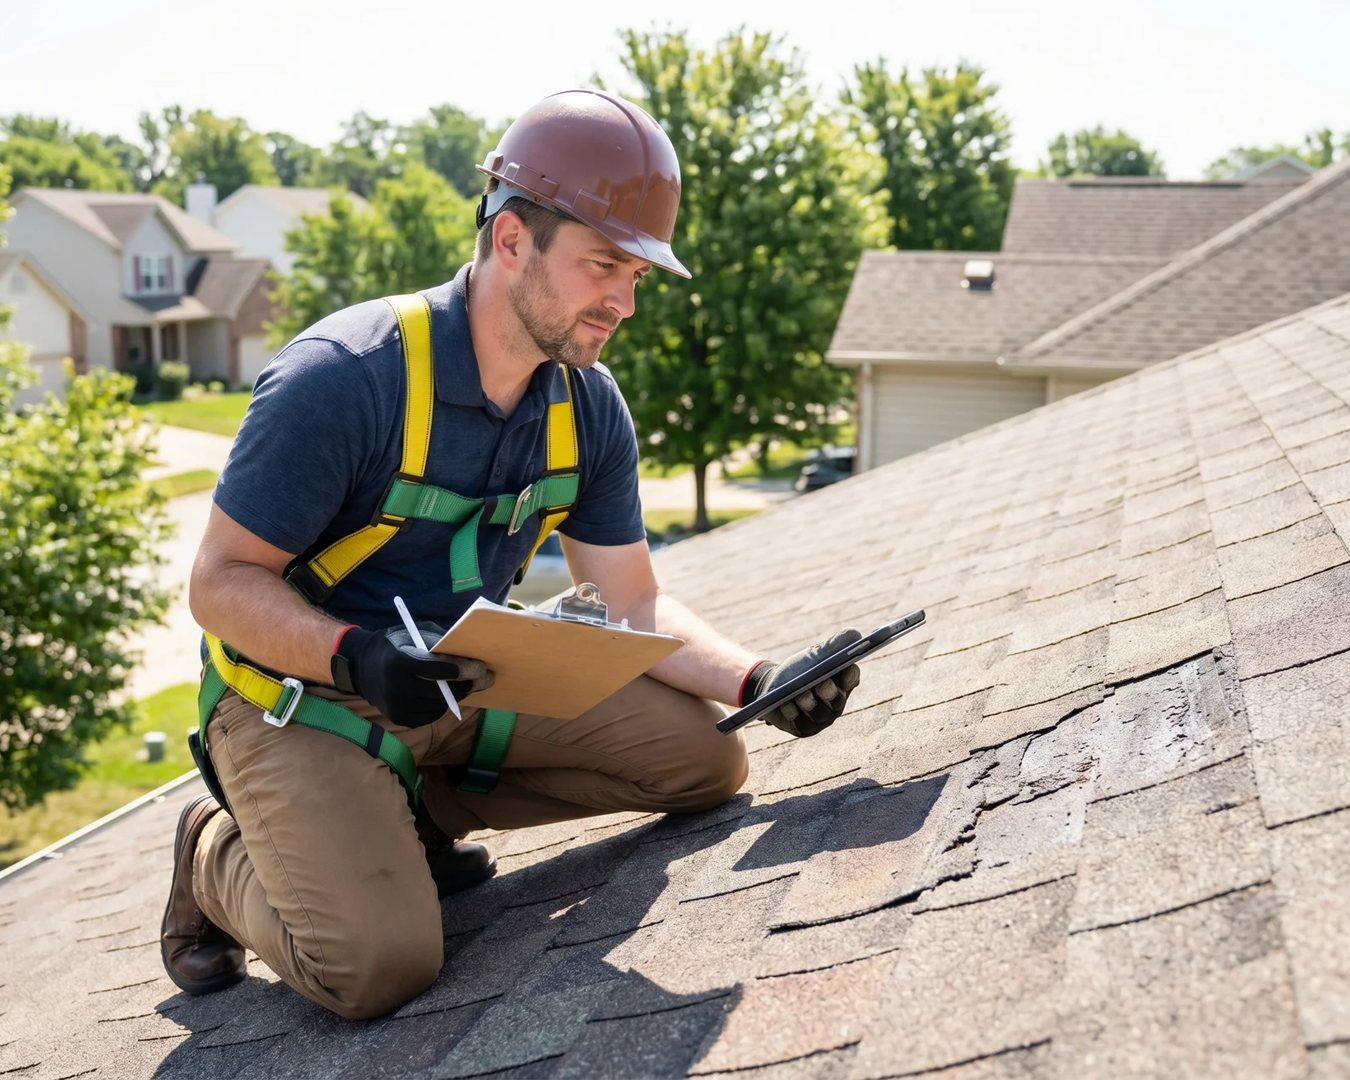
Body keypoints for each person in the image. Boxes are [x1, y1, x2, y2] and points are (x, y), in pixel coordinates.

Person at [160, 88, 863, 1020]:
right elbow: (219, 583)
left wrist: (758, 680)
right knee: (375, 967)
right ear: (511, 241)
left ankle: (405, 820)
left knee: (706, 762)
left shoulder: (586, 406)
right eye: (603, 264)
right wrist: (354, 655)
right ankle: (215, 848)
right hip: (297, 698)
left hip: (460, 683)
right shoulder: (344, 380)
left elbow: (628, 602)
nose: (623, 300)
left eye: (639, 275)